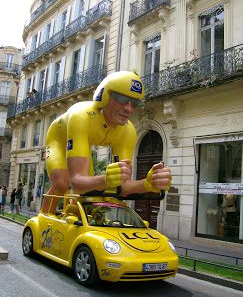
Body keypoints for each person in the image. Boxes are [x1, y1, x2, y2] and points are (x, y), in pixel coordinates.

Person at [41, 71, 172, 214]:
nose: (129, 108)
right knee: (62, 184)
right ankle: (45, 214)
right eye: (122, 99)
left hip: (84, 139)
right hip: (58, 138)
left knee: (88, 190)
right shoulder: (81, 117)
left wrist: (146, 184)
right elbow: (76, 183)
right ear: (103, 97)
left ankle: (72, 213)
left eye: (134, 103)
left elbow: (123, 187)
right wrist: (106, 180)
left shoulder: (128, 131)